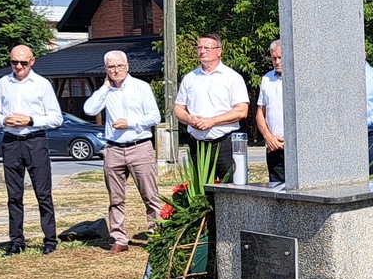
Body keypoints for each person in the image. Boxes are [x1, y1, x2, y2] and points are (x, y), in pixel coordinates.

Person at [83, 50, 162, 254]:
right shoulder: (106, 91)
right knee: (115, 198)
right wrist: (104, 87)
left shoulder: (141, 87)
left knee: (150, 195)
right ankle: (119, 238)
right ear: (106, 70)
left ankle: (157, 235)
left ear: (127, 66)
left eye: (119, 66)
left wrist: (130, 123)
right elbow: (89, 110)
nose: (116, 70)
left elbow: (154, 116)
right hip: (113, 149)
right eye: (111, 67)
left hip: (139, 145)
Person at [0, 45, 62, 255]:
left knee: (43, 193)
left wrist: (31, 120)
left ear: (32, 61)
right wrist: (4, 119)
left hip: (35, 141)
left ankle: (50, 239)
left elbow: (56, 117)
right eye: (14, 62)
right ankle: (16, 241)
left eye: (23, 63)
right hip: (11, 141)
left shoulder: (42, 84)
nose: (18, 67)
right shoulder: (3, 83)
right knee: (14, 194)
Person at [174, 33, 248, 182]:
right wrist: (189, 118)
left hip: (224, 143)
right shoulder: (190, 78)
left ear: (219, 51)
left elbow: (242, 111)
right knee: (201, 193)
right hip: (197, 143)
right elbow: (178, 109)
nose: (202, 51)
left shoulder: (231, 77)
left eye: (207, 47)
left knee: (231, 189)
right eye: (199, 47)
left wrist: (212, 121)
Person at [255, 40, 286, 182]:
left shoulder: (301, 78)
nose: (277, 62)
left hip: (295, 147)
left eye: (280, 57)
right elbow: (260, 112)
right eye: (274, 58)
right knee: (277, 191)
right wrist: (268, 137)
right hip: (274, 146)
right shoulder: (267, 79)